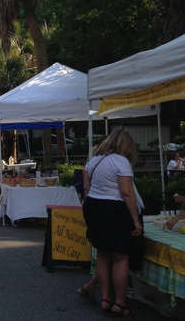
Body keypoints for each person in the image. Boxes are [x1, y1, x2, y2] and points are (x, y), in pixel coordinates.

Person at [82, 129, 142, 319]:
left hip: (93, 205)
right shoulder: (121, 161)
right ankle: (120, 303)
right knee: (120, 257)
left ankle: (105, 299)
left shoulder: (95, 160)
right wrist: (135, 220)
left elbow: (86, 188)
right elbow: (126, 192)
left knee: (102, 253)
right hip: (114, 208)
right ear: (127, 146)